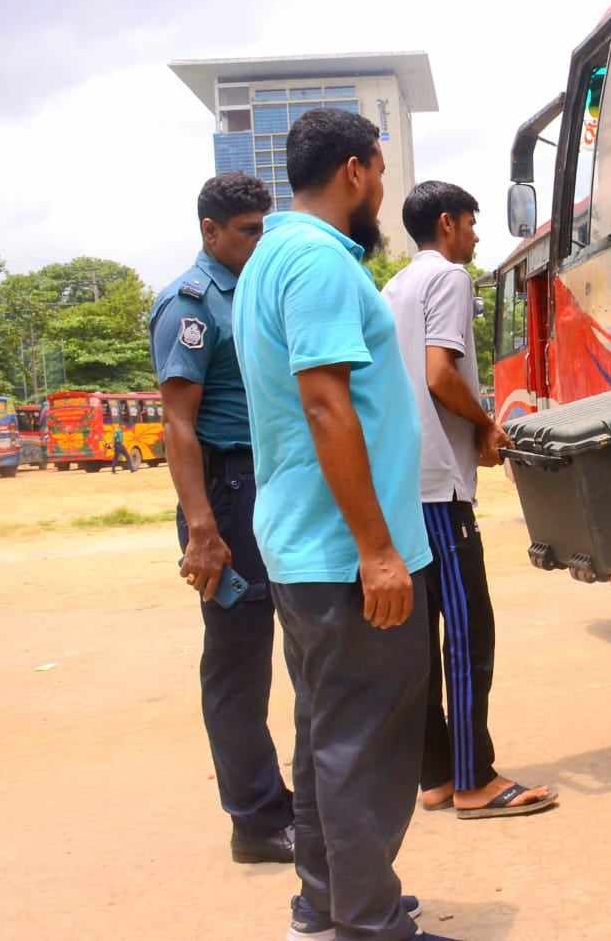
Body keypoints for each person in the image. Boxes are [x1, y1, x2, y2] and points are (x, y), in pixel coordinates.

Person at [233, 108, 449, 941]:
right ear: (356, 169)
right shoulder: (319, 262)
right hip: (345, 553)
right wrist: (379, 551)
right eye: (381, 172)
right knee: (368, 744)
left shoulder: (268, 257)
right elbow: (326, 404)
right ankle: (368, 923)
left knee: (328, 731)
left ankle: (328, 902)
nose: (383, 189)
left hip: (304, 547)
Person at [382, 182, 558, 821]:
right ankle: (472, 780)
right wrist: (486, 426)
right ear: (447, 223)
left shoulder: (394, 287)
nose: (478, 238)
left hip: (405, 481)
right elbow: (438, 375)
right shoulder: (449, 280)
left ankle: (434, 773)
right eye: (473, 225)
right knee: (468, 632)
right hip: (439, 488)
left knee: (424, 641)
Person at [149, 173, 294, 866]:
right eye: (247, 232)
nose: (258, 242)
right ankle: (257, 820)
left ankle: (274, 803)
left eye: (264, 228)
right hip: (225, 495)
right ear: (210, 231)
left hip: (260, 484)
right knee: (238, 663)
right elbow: (178, 424)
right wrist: (202, 529)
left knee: (277, 652)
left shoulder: (247, 294)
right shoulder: (191, 306)